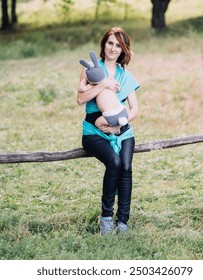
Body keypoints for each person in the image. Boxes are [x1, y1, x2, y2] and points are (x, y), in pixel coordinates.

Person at [77, 27, 140, 235]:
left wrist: (118, 125)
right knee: (114, 162)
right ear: (104, 44)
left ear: (123, 50)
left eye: (118, 45)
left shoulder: (125, 75)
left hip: (122, 129)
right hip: (94, 132)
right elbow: (80, 99)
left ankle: (122, 221)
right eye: (110, 43)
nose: (113, 48)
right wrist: (103, 83)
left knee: (126, 167)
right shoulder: (92, 70)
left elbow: (136, 108)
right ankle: (106, 219)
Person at [79, 50, 129, 128]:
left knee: (97, 123)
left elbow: (81, 88)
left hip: (110, 116)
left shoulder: (91, 86)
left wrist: (85, 80)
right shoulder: (109, 80)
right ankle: (119, 125)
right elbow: (118, 88)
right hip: (122, 110)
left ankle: (113, 126)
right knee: (125, 109)